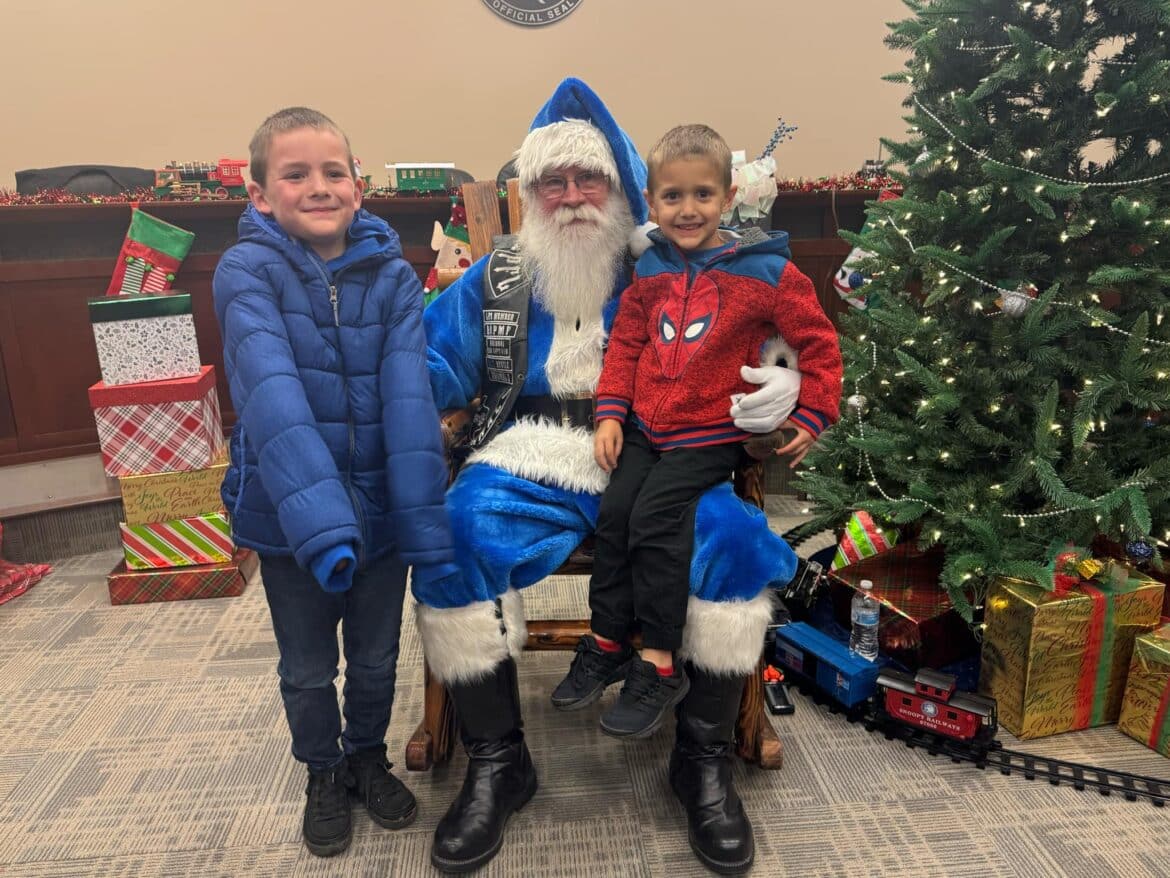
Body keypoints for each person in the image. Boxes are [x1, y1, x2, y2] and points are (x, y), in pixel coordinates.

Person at [416, 78, 810, 875]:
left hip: (659, 451)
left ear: (623, 188)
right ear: (531, 195)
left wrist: (785, 376)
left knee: (735, 543)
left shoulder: (667, 266)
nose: (569, 198)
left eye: (586, 179)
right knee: (452, 538)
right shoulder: (497, 277)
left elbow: (767, 326)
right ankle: (498, 760)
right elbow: (430, 364)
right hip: (523, 452)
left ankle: (700, 760)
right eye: (551, 182)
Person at [212, 107, 462, 858]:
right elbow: (273, 400)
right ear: (261, 194)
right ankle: (323, 772)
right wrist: (321, 526)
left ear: (358, 185)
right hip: (289, 519)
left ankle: (365, 758)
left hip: (380, 510)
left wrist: (421, 521)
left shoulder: (391, 276)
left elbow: (409, 401)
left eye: (333, 172)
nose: (318, 187)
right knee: (308, 666)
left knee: (378, 657)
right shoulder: (245, 273)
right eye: (295, 174)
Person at [554, 124, 842, 740]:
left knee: (654, 516)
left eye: (703, 195)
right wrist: (610, 413)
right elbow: (626, 345)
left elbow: (819, 342)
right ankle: (607, 640)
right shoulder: (650, 267)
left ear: (728, 196)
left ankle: (659, 661)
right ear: (651, 202)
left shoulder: (767, 271)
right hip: (644, 426)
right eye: (673, 196)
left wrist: (814, 412)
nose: (688, 210)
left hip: (711, 431)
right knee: (615, 511)